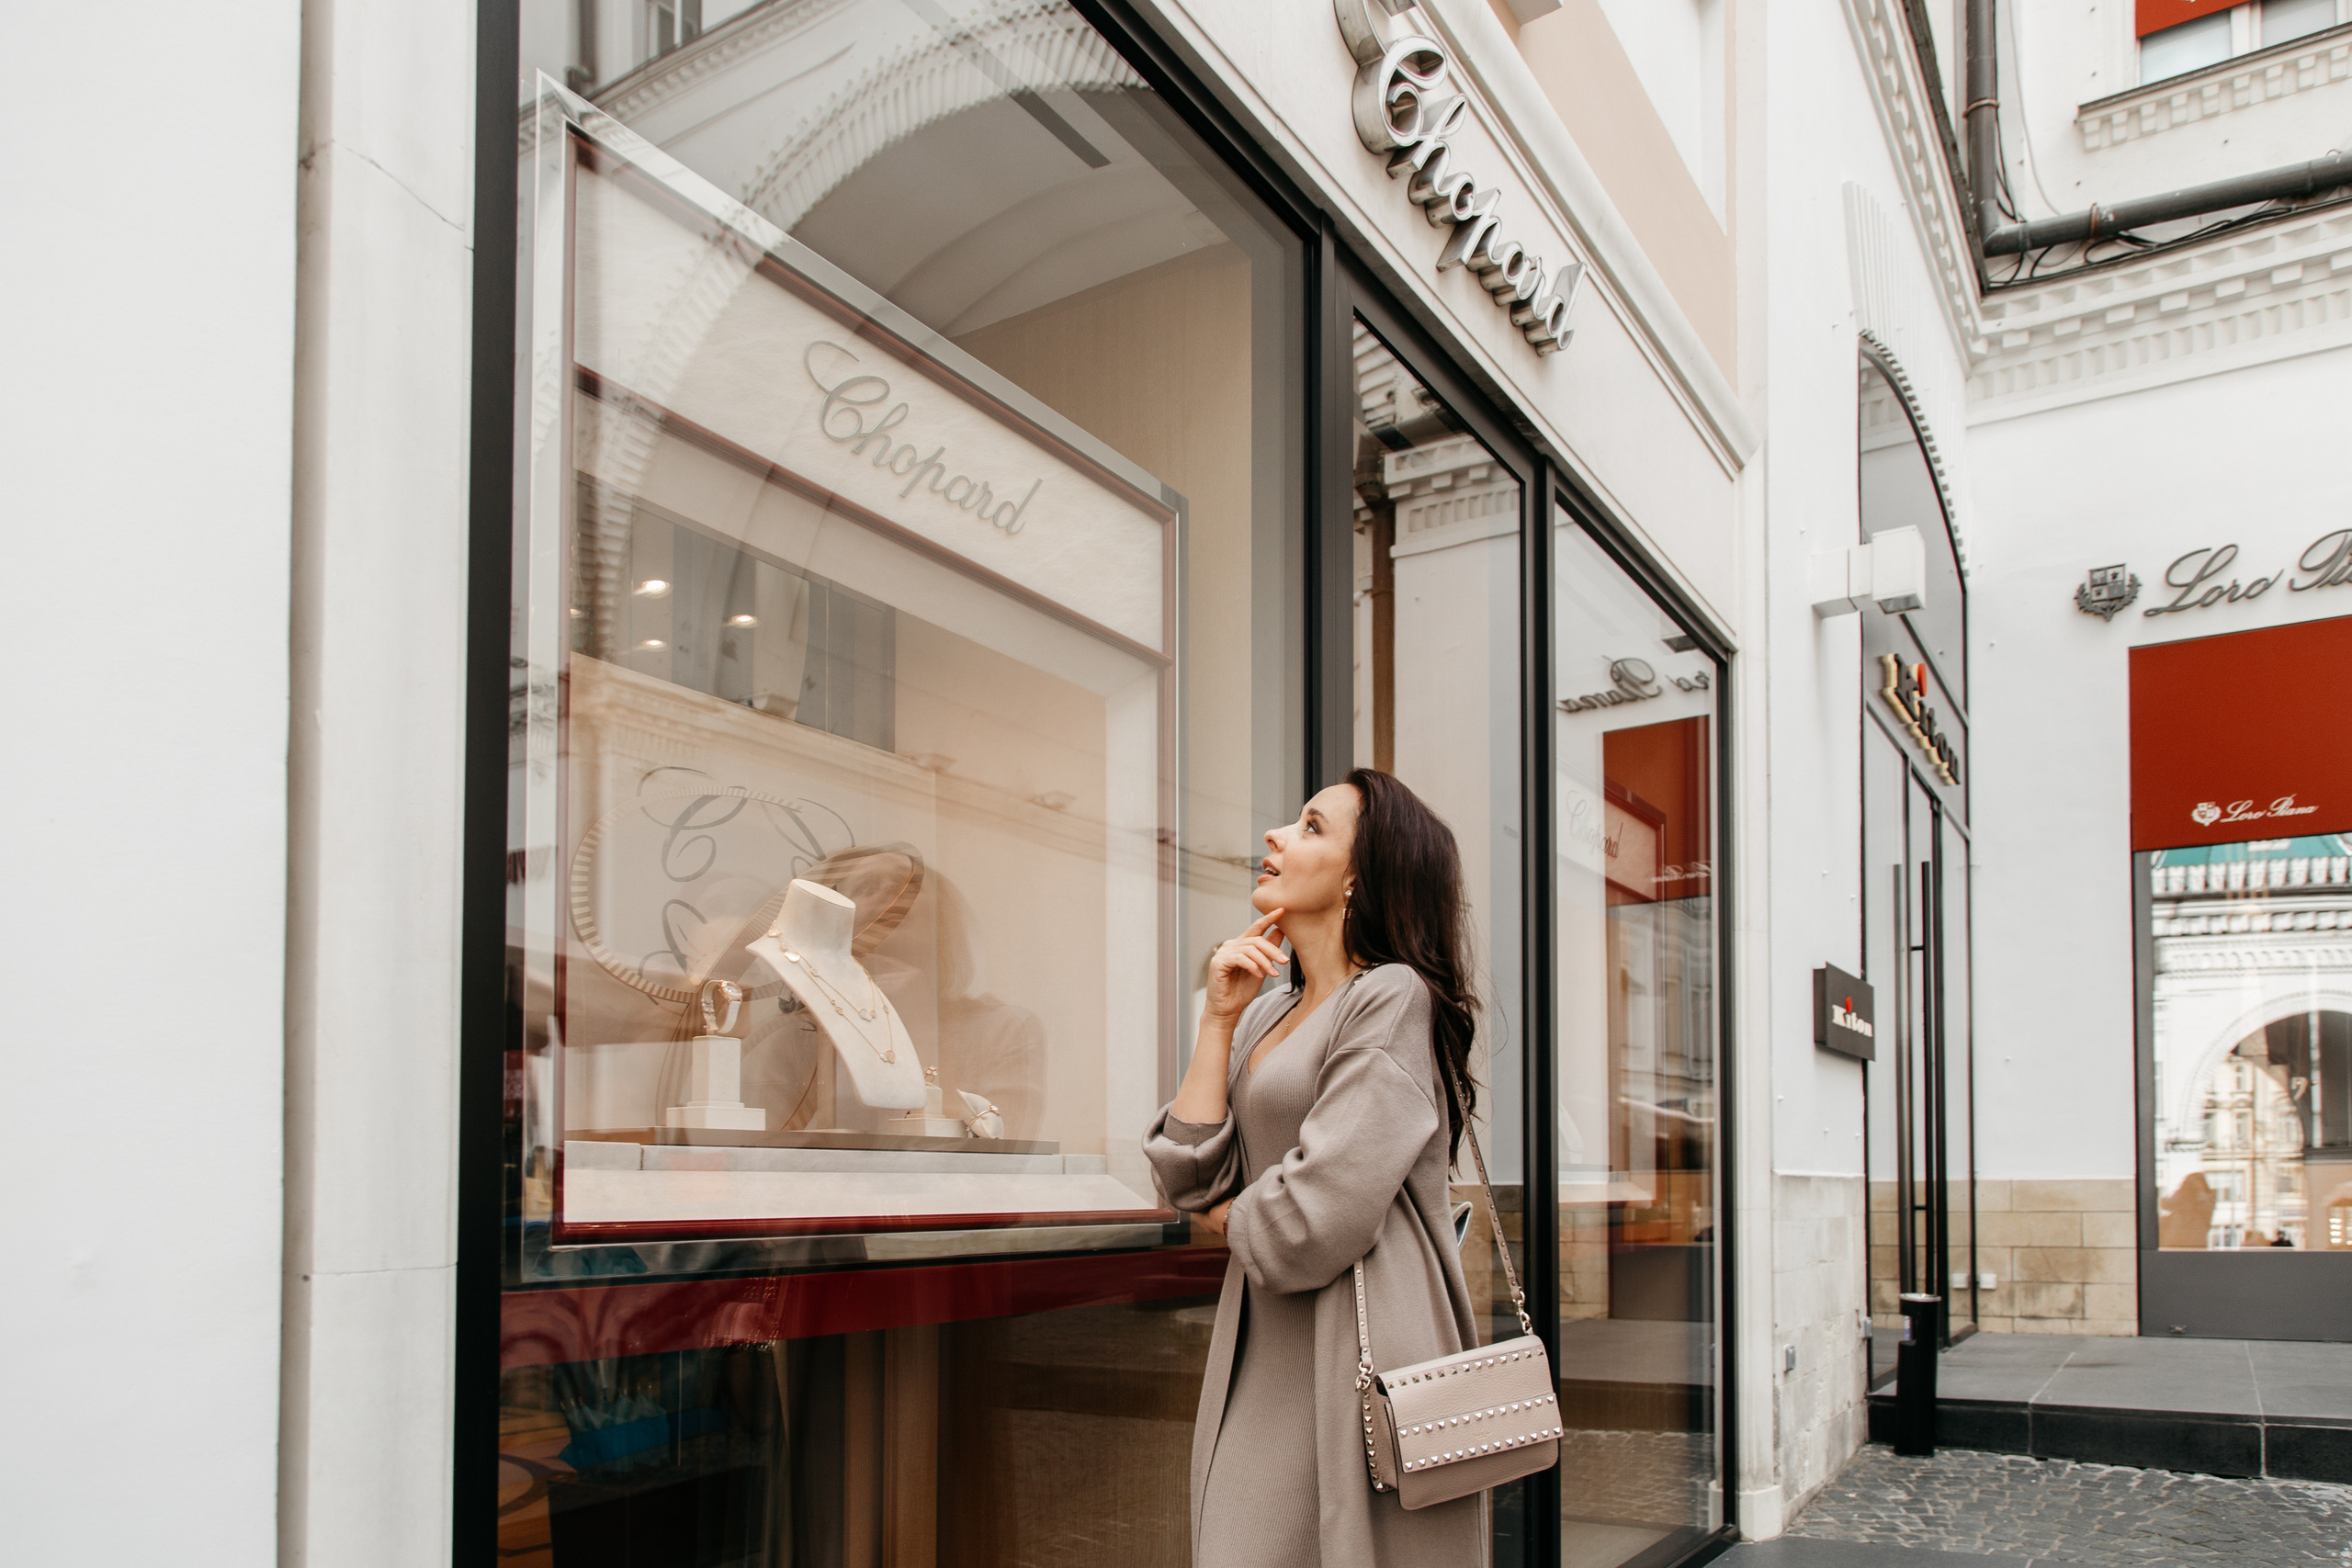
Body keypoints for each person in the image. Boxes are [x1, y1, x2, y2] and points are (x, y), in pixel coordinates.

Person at [1143, 768, 1489, 1567]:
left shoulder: (1392, 996)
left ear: (1359, 874)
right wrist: (1218, 1019)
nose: (1275, 834)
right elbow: (1188, 1175)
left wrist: (1226, 1217)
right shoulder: (1266, 1008)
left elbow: (1313, 1217)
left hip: (1362, 1343)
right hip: (1267, 1340)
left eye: (1310, 826)